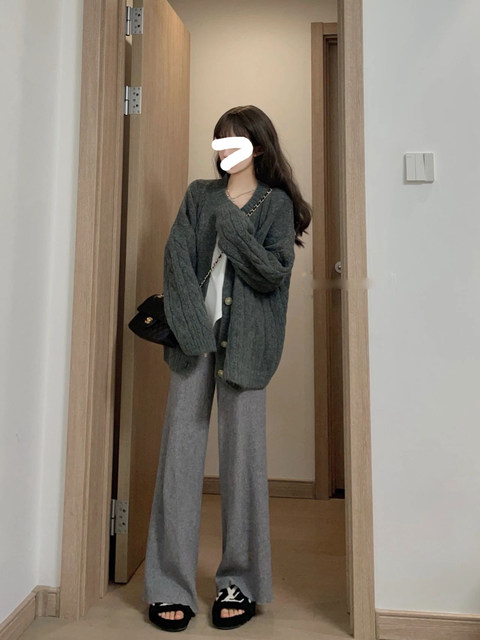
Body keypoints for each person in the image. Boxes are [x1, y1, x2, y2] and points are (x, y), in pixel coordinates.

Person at [143, 105, 312, 632]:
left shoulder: (275, 203)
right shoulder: (199, 194)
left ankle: (238, 582)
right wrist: (193, 332)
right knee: (178, 462)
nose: (222, 149)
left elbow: (271, 273)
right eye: (218, 140)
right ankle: (169, 585)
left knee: (243, 467)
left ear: (257, 148)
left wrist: (232, 226)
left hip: (247, 348)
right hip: (194, 341)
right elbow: (176, 261)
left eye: (233, 141)